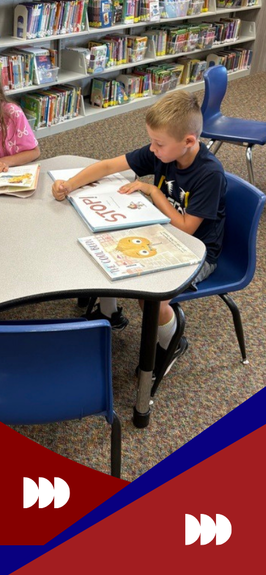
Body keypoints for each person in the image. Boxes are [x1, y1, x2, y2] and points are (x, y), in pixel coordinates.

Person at [52, 91, 226, 379]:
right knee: (103, 247)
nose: (153, 149)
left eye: (158, 144)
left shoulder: (210, 174)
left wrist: (154, 191)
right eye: (152, 142)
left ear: (189, 142)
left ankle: (173, 342)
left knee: (150, 297)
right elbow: (109, 165)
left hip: (199, 251)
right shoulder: (165, 149)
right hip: (161, 231)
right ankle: (111, 314)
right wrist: (69, 184)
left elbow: (185, 228)